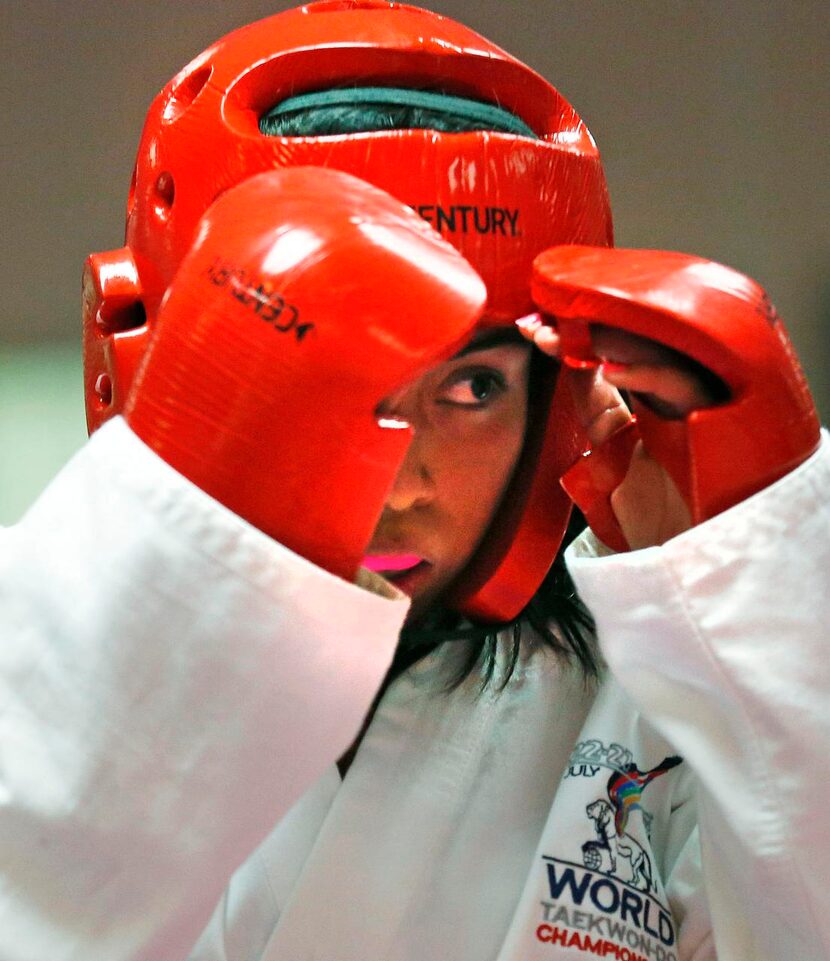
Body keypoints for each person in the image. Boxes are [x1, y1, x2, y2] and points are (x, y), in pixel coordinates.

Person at [2, 5, 828, 961]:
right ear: (169, 371)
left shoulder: (669, 719)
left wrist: (778, 601)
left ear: (568, 400)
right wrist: (177, 588)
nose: (401, 477)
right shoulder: (33, 655)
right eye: (324, 379)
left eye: (473, 387)